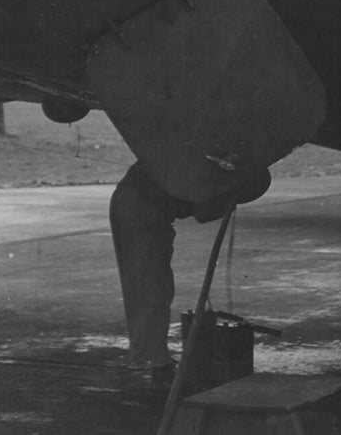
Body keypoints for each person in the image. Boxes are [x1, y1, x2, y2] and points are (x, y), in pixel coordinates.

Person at [109, 161, 269, 387]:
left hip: (138, 205)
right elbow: (202, 213)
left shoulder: (214, 160)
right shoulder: (210, 168)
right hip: (140, 208)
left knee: (152, 287)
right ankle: (153, 360)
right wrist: (226, 202)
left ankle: (151, 354)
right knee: (152, 289)